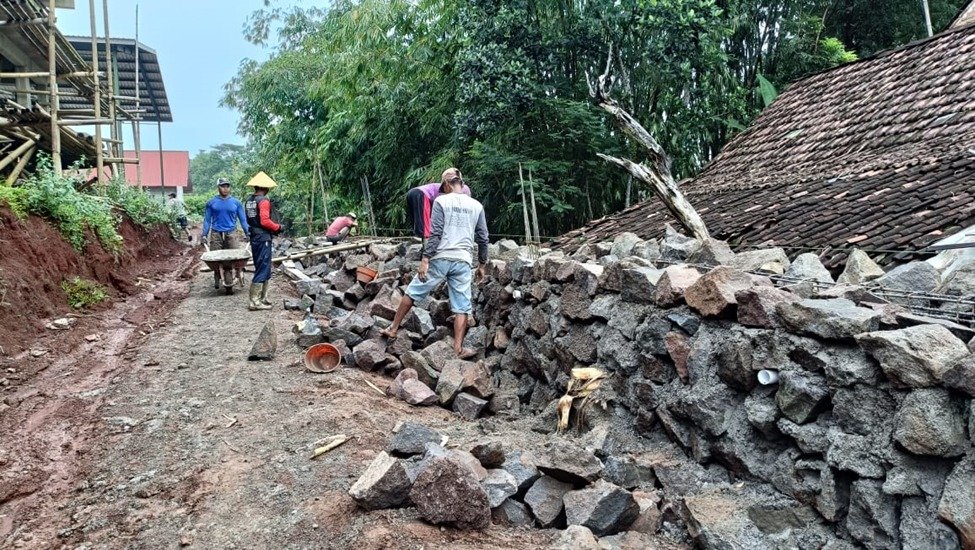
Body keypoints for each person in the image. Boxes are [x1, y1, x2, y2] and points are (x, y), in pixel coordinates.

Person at [382, 168, 488, 359]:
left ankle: (393, 328)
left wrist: (425, 259)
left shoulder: (441, 201)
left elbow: (436, 233)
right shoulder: (476, 205)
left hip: (441, 257)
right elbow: (483, 237)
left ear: (447, 184)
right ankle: (458, 349)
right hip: (463, 260)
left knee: (413, 291)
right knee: (462, 307)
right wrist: (481, 264)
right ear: (461, 183)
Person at [244, 171, 283, 311]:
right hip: (263, 237)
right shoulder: (264, 201)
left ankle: (263, 297)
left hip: (255, 236)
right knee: (263, 267)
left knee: (263, 266)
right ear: (265, 188)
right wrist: (278, 227)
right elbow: (265, 221)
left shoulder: (249, 200)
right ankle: (254, 301)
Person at [202, 179, 250, 290]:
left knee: (236, 256)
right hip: (216, 233)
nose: (225, 188)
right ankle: (217, 274)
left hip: (231, 232)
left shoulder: (236, 203)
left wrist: (248, 232)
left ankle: (238, 272)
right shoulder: (211, 203)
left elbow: (242, 220)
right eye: (223, 186)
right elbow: (207, 220)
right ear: (218, 187)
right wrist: (204, 234)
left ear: (230, 188)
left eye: (227, 186)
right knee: (215, 257)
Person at [405, 168, 471, 239]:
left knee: (420, 222)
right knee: (424, 225)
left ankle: (421, 238)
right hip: (421, 194)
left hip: (413, 193)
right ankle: (425, 242)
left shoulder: (464, 190)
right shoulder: (452, 188)